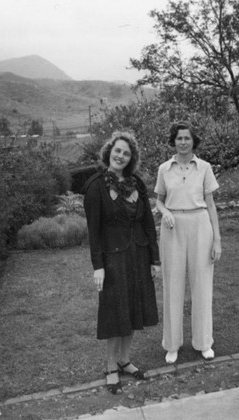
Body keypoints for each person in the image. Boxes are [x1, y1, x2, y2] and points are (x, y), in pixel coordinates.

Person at [83, 131, 161, 394]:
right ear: (109, 152)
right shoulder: (96, 186)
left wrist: (155, 259)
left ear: (131, 158)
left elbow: (148, 223)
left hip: (138, 255)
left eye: (126, 153)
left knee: (133, 309)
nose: (121, 156)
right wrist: (98, 266)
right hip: (113, 259)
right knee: (115, 313)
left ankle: (125, 360)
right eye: (117, 151)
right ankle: (110, 367)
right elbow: (94, 232)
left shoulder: (137, 184)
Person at [154, 121, 221, 365]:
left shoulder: (204, 168)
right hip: (172, 229)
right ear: (174, 141)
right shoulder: (164, 168)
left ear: (194, 141)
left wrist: (217, 241)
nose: (183, 142)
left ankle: (204, 342)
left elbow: (211, 205)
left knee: (202, 285)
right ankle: (172, 345)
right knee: (172, 286)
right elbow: (159, 201)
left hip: (200, 225)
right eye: (179, 138)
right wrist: (165, 212)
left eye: (187, 138)